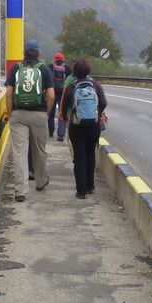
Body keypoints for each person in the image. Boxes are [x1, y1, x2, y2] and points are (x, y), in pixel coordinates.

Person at [3, 39, 55, 202]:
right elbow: (52, 96)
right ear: (39, 53)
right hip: (39, 114)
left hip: (19, 114)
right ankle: (40, 182)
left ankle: (20, 191)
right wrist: (46, 113)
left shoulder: (15, 69)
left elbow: (9, 94)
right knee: (39, 150)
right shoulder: (44, 69)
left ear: (24, 53)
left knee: (20, 152)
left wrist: (11, 114)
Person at [60, 58, 107, 199]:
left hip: (77, 126)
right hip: (93, 125)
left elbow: (64, 108)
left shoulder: (71, 87)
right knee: (90, 154)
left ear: (74, 71)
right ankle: (90, 186)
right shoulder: (96, 85)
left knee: (79, 157)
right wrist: (97, 113)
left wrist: (67, 117)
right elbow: (104, 103)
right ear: (88, 70)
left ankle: (81, 191)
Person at [47, 52, 72, 141]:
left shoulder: (50, 67)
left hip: (52, 93)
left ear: (55, 58)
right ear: (63, 58)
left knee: (51, 113)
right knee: (63, 113)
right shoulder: (67, 68)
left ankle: (51, 131)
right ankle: (61, 134)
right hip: (63, 94)